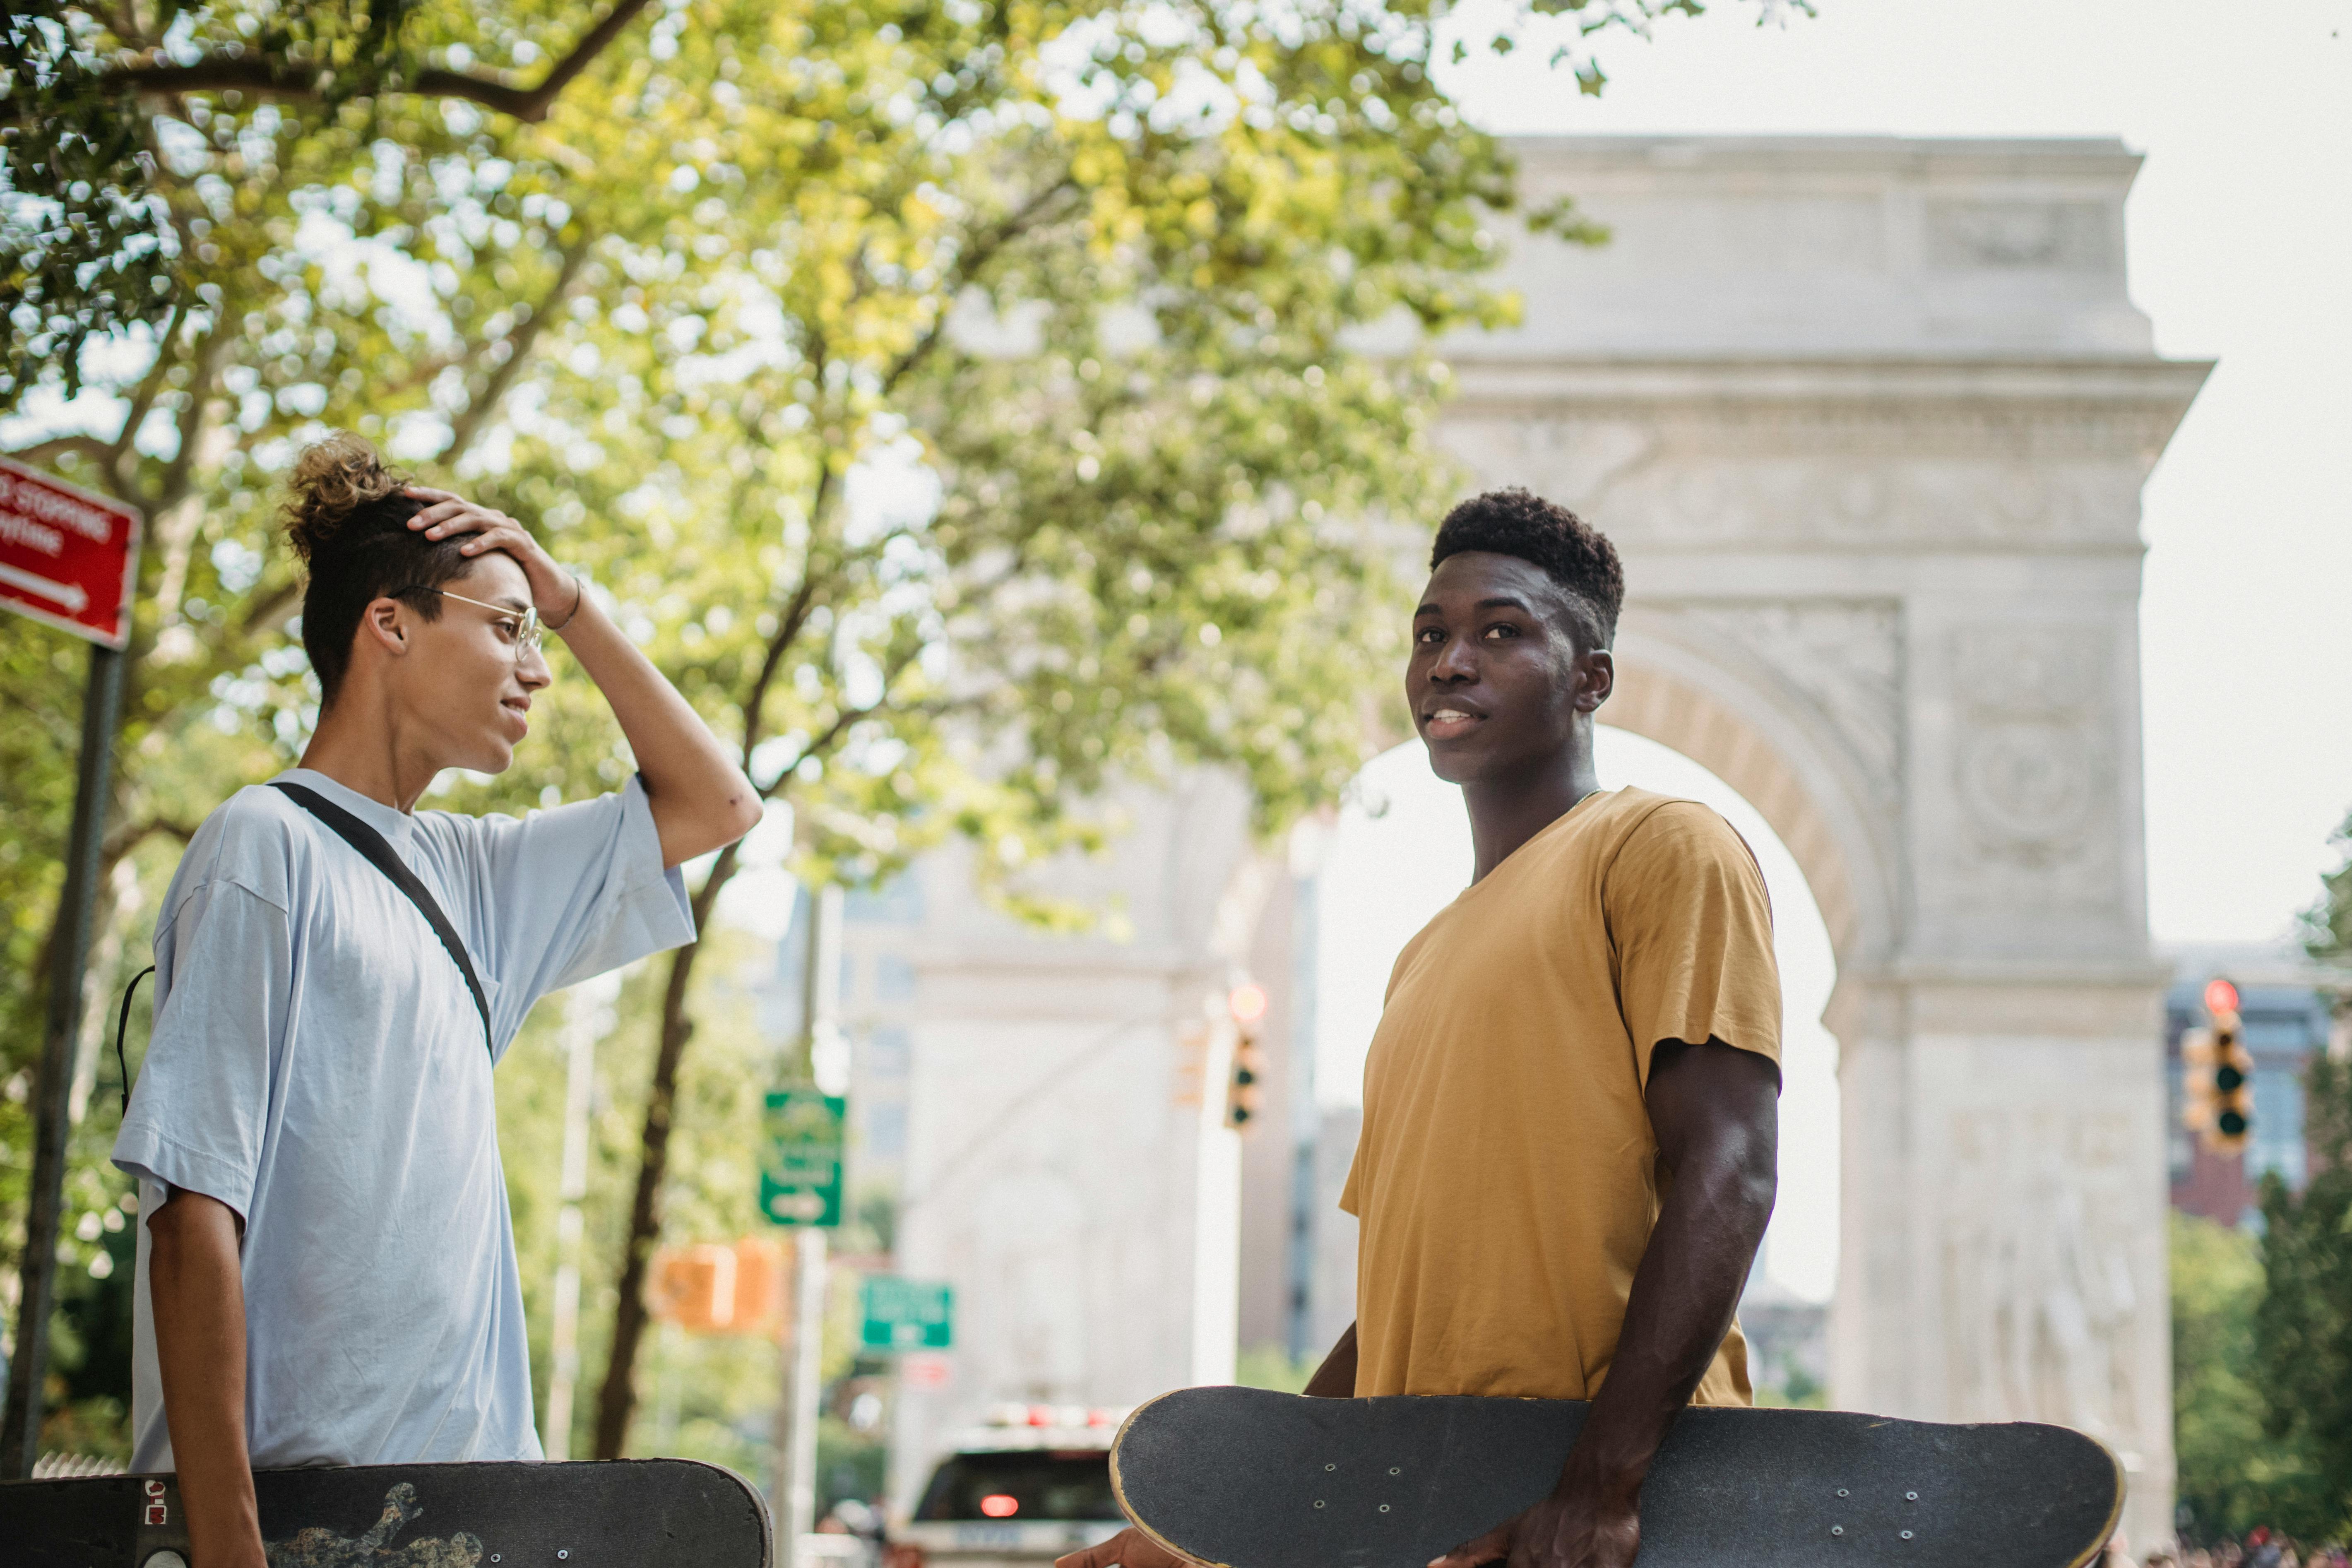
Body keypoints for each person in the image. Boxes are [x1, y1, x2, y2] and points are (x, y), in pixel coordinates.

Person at [1062, 488, 1781, 1568]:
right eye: (1431, 634)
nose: (1450, 660)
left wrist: (1598, 1485)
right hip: (1429, 1512)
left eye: (1501, 631)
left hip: (1602, 1513)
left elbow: (1729, 1163)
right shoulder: (1421, 959)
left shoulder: (1660, 846)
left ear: (1589, 677)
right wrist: (1212, 1530)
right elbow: (1390, 1311)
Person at [112, 435, 762, 1567]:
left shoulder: (477, 878)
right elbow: (190, 1212)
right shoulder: (263, 848)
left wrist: (565, 598)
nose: (538, 666)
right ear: (391, 622)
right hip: (295, 1516)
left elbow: (717, 803)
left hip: (471, 1514)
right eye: (505, 627)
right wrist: (231, 1550)